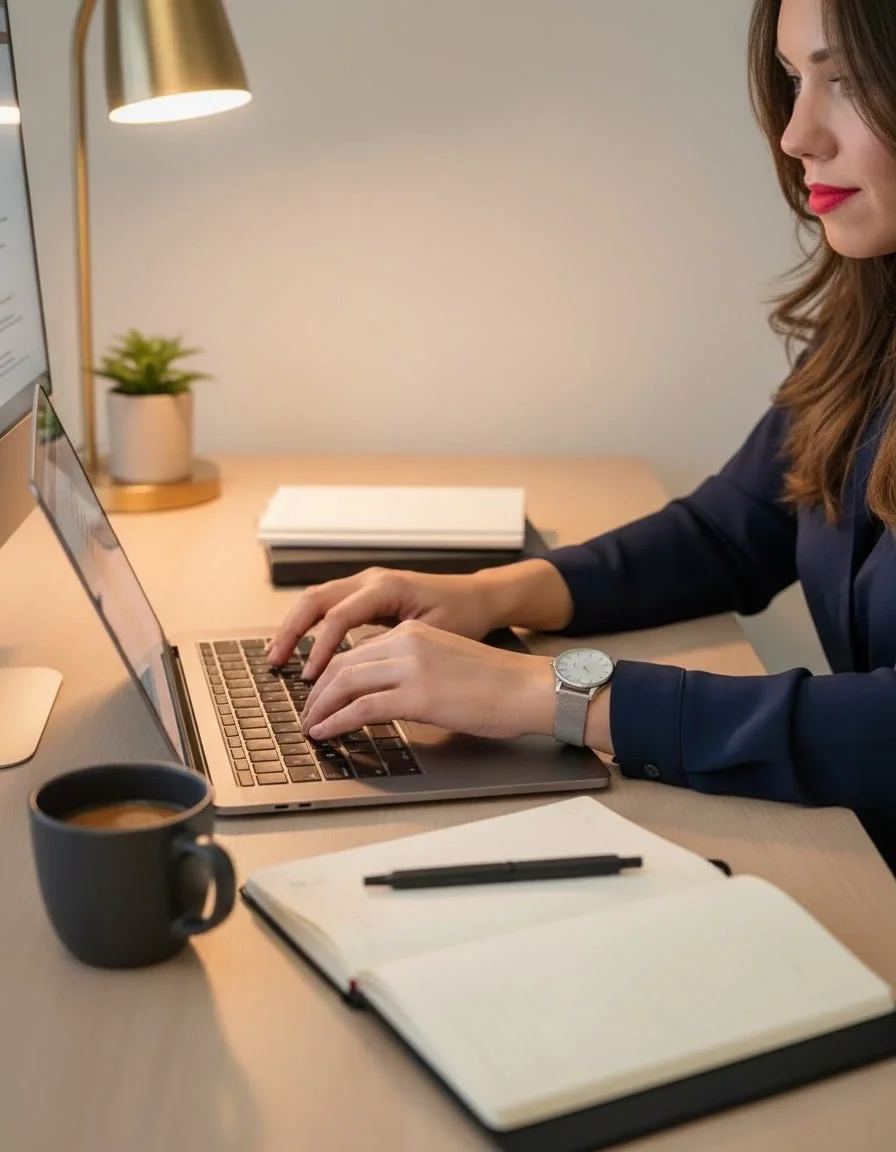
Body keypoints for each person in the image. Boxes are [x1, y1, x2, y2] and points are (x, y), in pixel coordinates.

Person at [267, 0, 896, 872]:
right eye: (793, 80)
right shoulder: (874, 321)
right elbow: (729, 532)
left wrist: (553, 693)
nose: (797, 136)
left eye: (849, 80)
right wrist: (490, 595)